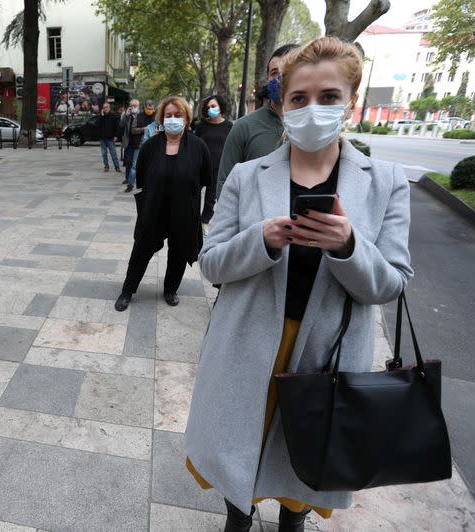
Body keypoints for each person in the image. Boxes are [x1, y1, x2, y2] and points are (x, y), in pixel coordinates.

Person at [183, 37, 413, 532]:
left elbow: (392, 283)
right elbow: (211, 264)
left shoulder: (385, 181)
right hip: (245, 345)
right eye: (299, 98)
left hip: (324, 354)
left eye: (328, 97)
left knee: (303, 462)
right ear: (282, 105)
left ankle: (294, 521)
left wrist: (350, 245)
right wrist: (261, 240)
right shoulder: (247, 177)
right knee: (236, 454)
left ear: (350, 102)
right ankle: (236, 519)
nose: (313, 109)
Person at [114, 96, 212, 311]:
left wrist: (203, 209)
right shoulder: (150, 146)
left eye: (178, 115)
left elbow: (206, 179)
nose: (173, 119)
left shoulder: (198, 147)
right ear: (161, 119)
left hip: (183, 212)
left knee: (178, 253)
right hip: (153, 211)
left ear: (186, 119)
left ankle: (170, 289)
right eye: (168, 116)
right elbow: (141, 177)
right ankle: (127, 290)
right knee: (141, 250)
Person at [216, 43, 299, 198]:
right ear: (267, 78)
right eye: (274, 73)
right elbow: (224, 184)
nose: (280, 78)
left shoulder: (313, 128)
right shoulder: (244, 127)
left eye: (288, 71)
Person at [194, 94, 233, 228]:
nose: (211, 108)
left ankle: (203, 223)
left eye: (213, 106)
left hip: (218, 168)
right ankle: (191, 220)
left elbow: (232, 148)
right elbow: (195, 145)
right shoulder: (202, 126)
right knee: (192, 194)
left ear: (220, 107)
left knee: (211, 199)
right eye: (208, 107)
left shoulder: (229, 126)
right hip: (199, 167)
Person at [125, 99, 158, 192]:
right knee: (134, 165)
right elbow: (133, 129)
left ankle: (149, 185)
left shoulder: (157, 117)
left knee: (152, 166)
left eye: (151, 108)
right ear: (144, 107)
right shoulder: (138, 116)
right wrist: (144, 129)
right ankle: (130, 184)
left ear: (154, 108)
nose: (149, 110)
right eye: (148, 108)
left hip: (153, 146)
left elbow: (161, 128)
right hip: (139, 145)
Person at [97, 102, 121, 173]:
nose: (105, 109)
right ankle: (106, 166)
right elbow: (97, 124)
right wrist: (101, 116)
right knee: (104, 154)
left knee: (113, 154)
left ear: (109, 108)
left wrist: (116, 136)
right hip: (102, 139)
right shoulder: (101, 117)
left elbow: (117, 127)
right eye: (104, 107)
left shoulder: (113, 116)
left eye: (107, 107)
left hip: (110, 138)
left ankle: (117, 167)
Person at [120, 98, 140, 184]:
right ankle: (127, 178)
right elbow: (121, 125)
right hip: (129, 142)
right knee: (128, 161)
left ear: (138, 106)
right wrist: (126, 115)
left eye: (135, 106)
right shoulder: (127, 115)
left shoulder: (141, 115)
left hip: (138, 142)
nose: (133, 107)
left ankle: (133, 179)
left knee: (135, 163)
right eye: (132, 106)